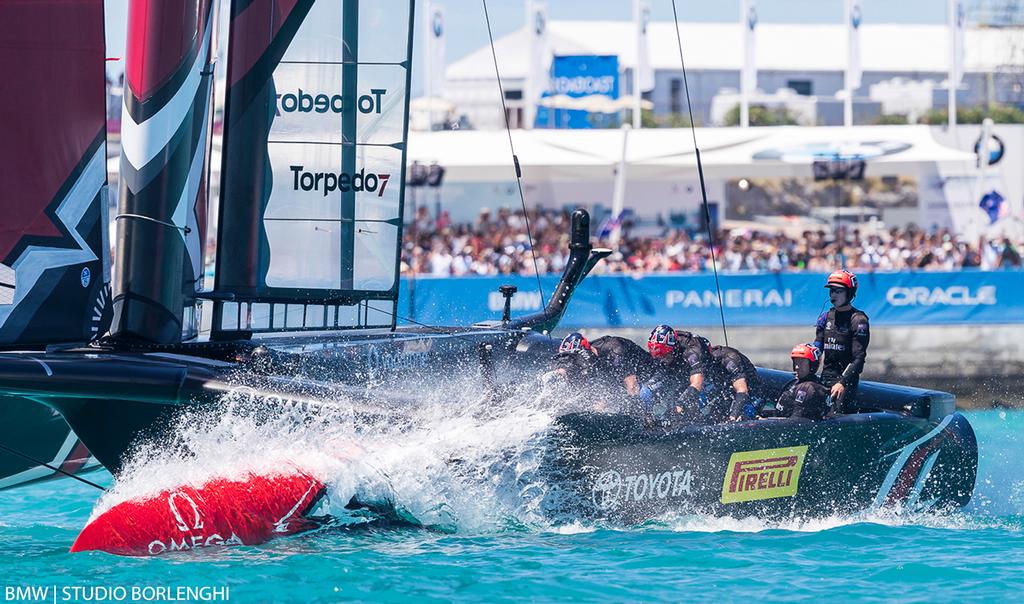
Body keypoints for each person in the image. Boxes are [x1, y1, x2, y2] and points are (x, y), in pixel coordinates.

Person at [544, 332, 655, 412]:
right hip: (618, 377)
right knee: (601, 402)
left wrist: (636, 415)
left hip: (650, 373)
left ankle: (648, 419)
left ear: (585, 352)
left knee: (644, 394)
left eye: (575, 360)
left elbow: (632, 385)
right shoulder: (587, 359)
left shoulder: (614, 349)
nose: (574, 364)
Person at [814, 269, 870, 414]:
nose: (833, 295)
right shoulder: (825, 317)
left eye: (838, 291)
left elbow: (859, 358)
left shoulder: (858, 320)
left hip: (845, 383)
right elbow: (818, 347)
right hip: (825, 378)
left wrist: (842, 382)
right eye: (832, 291)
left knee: (837, 414)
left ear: (849, 293)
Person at [643, 324, 711, 421]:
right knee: (645, 391)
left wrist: (681, 403)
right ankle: (647, 419)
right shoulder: (662, 353)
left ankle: (697, 417)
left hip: (698, 375)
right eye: (658, 356)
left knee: (686, 404)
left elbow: (698, 382)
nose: (661, 359)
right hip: (675, 368)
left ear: (672, 348)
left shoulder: (692, 350)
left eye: (663, 355)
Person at [707, 344, 764, 421]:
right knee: (712, 416)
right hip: (728, 394)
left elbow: (743, 390)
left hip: (750, 395)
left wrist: (733, 416)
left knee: (746, 414)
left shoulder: (730, 358)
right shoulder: (705, 363)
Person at [774, 343, 830, 420]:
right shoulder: (795, 383)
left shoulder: (808, 388)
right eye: (796, 362)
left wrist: (766, 422)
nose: (797, 366)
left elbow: (796, 421)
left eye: (801, 362)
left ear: (812, 365)